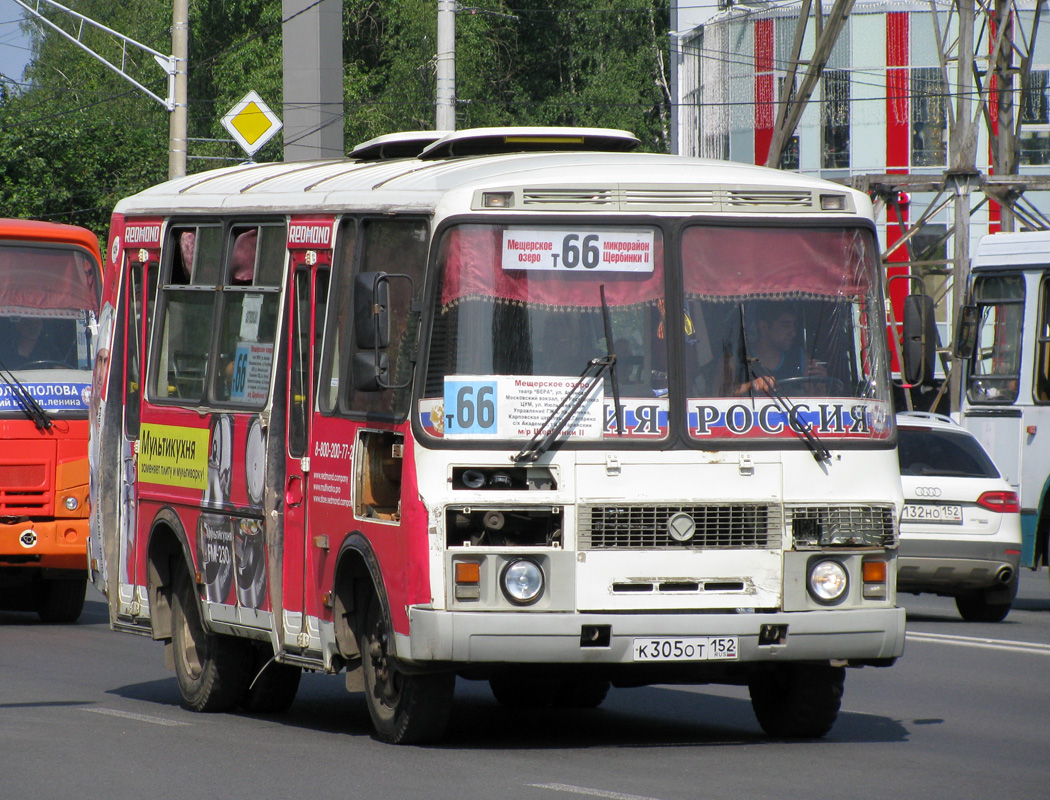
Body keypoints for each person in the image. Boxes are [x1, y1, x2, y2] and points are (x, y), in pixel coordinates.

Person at [733, 305, 825, 396]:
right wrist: (752, 385)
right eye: (785, 325)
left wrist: (820, 384)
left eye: (794, 325)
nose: (793, 333)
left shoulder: (801, 359)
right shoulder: (737, 358)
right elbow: (724, 392)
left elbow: (813, 399)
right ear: (763, 327)